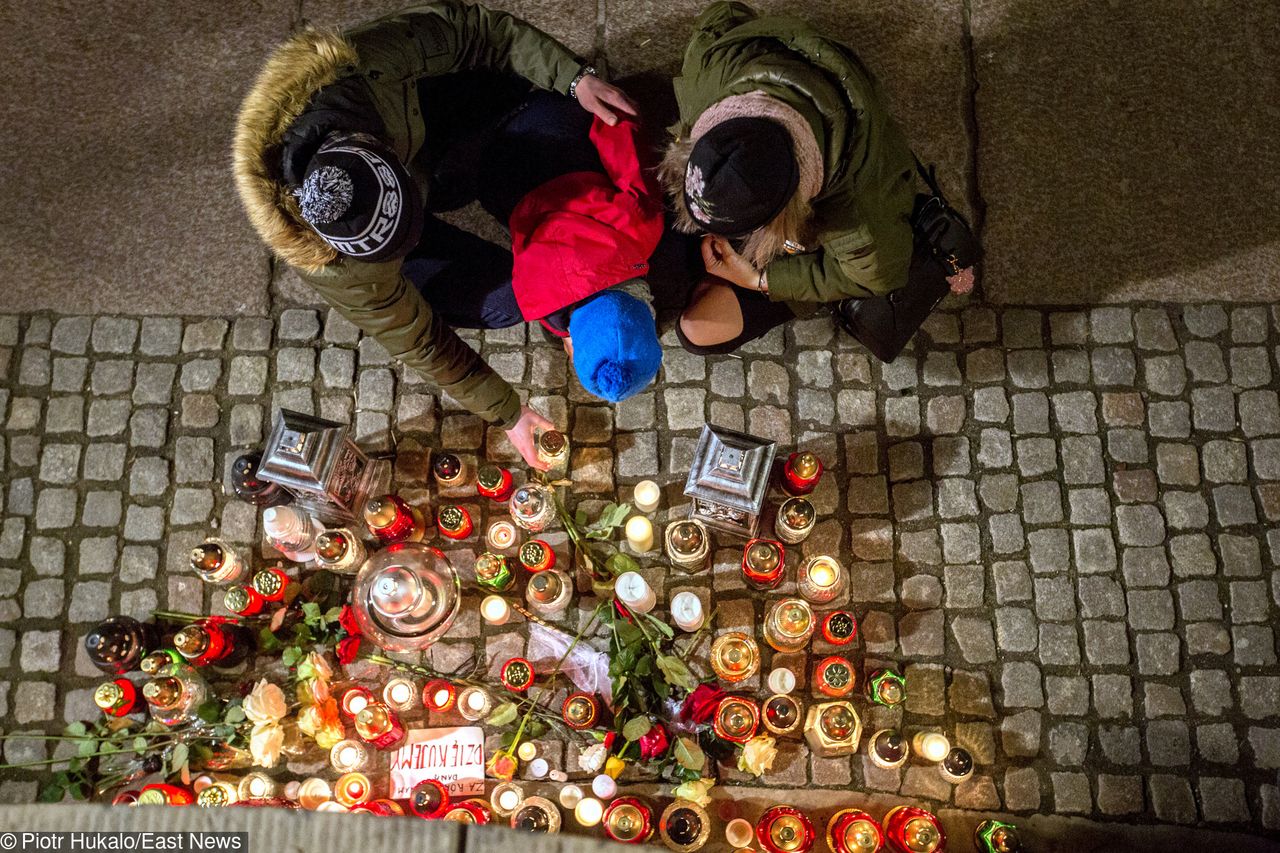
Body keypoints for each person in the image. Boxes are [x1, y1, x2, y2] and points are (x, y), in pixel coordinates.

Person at [232, 1, 637, 469]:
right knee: (507, 300)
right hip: (418, 174)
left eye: (406, 225)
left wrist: (573, 77)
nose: (412, 235)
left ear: (374, 146)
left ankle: (469, 173)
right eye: (391, 245)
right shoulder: (333, 265)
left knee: (561, 119)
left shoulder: (363, 69)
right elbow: (418, 340)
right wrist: (509, 414)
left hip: (432, 140)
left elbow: (476, 30)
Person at [658, 0, 976, 359]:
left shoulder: (857, 215)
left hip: (812, 230)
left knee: (696, 331)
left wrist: (760, 280)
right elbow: (721, 17)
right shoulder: (713, 71)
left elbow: (877, 276)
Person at [406, 90, 679, 403]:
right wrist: (568, 331)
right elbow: (556, 309)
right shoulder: (535, 298)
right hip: (494, 168)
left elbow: (626, 151)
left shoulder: (642, 229)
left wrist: (619, 115)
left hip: (549, 122)